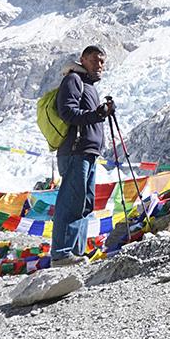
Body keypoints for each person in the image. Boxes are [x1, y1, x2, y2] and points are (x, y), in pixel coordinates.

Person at [50, 44, 114, 267]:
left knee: (84, 203)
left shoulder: (88, 86)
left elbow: (87, 115)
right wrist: (96, 114)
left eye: (102, 61)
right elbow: (68, 112)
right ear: (82, 60)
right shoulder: (73, 80)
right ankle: (61, 253)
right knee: (71, 201)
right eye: (94, 60)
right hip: (75, 150)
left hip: (87, 152)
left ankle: (76, 252)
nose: (99, 65)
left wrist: (101, 113)